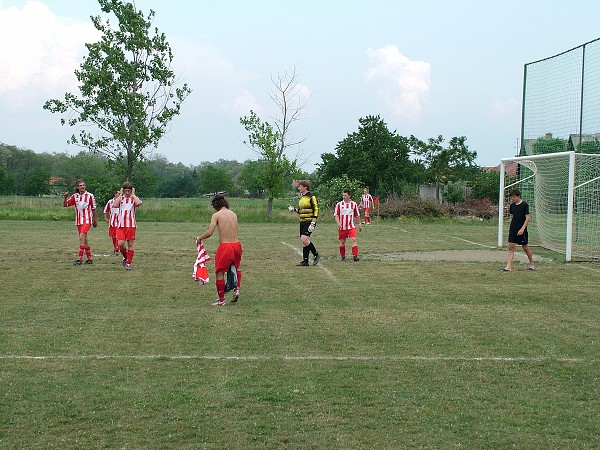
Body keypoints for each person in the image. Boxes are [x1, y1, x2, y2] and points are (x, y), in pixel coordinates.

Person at [196, 194, 242, 306]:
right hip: (236, 245)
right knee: (235, 268)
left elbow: (210, 232)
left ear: (216, 204)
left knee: (219, 272)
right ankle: (237, 289)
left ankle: (221, 300)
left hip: (225, 247)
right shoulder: (233, 214)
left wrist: (199, 238)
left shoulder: (217, 215)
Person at [63, 179, 97, 265]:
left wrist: (94, 220)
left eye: (83, 185)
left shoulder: (90, 196)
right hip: (79, 221)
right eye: (80, 185)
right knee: (85, 239)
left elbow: (93, 208)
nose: (82, 187)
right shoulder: (75, 196)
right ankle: (90, 258)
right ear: (77, 187)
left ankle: (79, 258)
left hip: (87, 220)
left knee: (81, 237)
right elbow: (65, 205)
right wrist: (65, 197)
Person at [502, 189, 535, 272]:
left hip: (522, 230)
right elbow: (512, 217)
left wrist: (522, 229)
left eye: (514, 197)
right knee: (511, 247)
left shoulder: (525, 205)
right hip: (513, 229)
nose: (512, 199)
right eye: (512, 197)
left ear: (518, 196)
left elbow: (527, 218)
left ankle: (532, 264)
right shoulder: (512, 206)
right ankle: (508, 267)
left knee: (525, 247)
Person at [290, 180, 320, 266]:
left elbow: (316, 209)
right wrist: (294, 210)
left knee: (304, 239)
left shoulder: (311, 196)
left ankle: (316, 254)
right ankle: (305, 261)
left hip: (309, 221)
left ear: (305, 187)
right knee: (304, 241)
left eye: (300, 186)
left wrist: (313, 222)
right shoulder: (302, 198)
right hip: (302, 221)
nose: (298, 188)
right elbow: (302, 211)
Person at [113, 181, 142, 270]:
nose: (127, 193)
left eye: (129, 191)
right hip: (121, 225)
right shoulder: (121, 198)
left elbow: (138, 203)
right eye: (126, 191)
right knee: (120, 244)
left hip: (131, 225)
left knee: (130, 244)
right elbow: (115, 205)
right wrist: (121, 194)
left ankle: (128, 263)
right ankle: (126, 257)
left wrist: (133, 193)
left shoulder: (133, 198)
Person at [334, 189, 363, 261]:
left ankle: (355, 256)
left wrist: (359, 224)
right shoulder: (339, 204)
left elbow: (357, 215)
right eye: (343, 195)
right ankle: (343, 256)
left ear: (349, 196)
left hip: (351, 226)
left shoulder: (354, 204)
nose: (344, 197)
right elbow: (336, 215)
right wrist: (338, 223)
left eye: (345, 195)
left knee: (353, 239)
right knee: (342, 241)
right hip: (342, 227)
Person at [103, 189, 121, 255]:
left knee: (118, 236)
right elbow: (105, 210)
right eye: (118, 193)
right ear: (115, 194)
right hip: (112, 222)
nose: (119, 194)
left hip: (120, 222)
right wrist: (106, 218)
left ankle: (117, 249)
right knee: (113, 236)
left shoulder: (122, 201)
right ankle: (115, 248)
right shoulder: (110, 202)